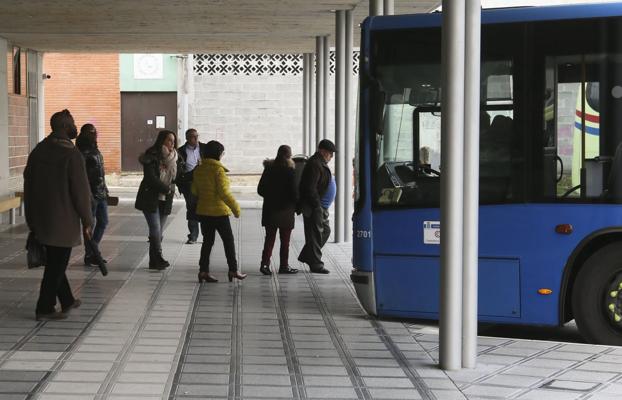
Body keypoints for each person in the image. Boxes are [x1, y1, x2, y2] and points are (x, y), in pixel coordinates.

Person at [23, 109, 93, 321]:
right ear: (64, 126)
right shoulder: (71, 155)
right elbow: (81, 192)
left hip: (40, 218)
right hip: (63, 220)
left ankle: (68, 300)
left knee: (55, 261)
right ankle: (44, 308)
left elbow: (28, 183)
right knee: (56, 265)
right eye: (71, 122)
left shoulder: (39, 151)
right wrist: (88, 220)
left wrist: (30, 217)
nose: (74, 125)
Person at [192, 140, 246, 283]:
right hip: (219, 213)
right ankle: (233, 270)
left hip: (203, 212)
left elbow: (194, 191)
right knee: (228, 241)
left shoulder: (199, 169)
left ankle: (203, 271)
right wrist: (236, 209)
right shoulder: (218, 170)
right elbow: (224, 193)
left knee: (207, 242)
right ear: (218, 154)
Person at [135, 130, 178, 270]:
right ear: (162, 141)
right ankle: (158, 257)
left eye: (173, 140)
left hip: (166, 199)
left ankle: (153, 262)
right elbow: (150, 178)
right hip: (150, 197)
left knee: (158, 232)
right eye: (169, 140)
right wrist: (166, 189)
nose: (172, 143)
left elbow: (180, 176)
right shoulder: (152, 156)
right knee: (155, 229)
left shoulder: (176, 157)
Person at [257, 145, 299, 275]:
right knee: (285, 241)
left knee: (269, 239)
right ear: (289, 156)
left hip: (270, 209)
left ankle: (265, 265)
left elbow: (260, 190)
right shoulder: (290, 171)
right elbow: (294, 192)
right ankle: (284, 266)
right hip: (285, 211)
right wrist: (296, 205)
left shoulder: (268, 169)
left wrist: (271, 197)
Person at [297, 139, 337, 274]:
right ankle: (316, 264)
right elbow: (310, 187)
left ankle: (307, 256)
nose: (331, 157)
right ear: (322, 151)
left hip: (319, 206)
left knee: (325, 230)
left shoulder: (319, 163)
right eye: (330, 154)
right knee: (315, 234)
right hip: (314, 206)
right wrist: (317, 206)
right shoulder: (315, 164)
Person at [76, 124, 109, 267]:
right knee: (90, 224)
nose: (95, 134)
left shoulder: (95, 149)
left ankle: (92, 250)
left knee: (103, 222)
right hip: (90, 194)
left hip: (101, 193)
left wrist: (105, 188)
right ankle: (91, 254)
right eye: (92, 132)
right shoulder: (81, 153)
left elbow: (100, 172)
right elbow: (82, 176)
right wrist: (87, 194)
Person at [177, 128, 207, 244]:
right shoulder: (180, 151)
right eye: (192, 137)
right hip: (189, 184)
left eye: (196, 136)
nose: (195, 139)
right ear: (187, 138)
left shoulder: (205, 148)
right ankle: (193, 236)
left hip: (204, 183)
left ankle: (206, 236)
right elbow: (179, 171)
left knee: (204, 209)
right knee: (192, 208)